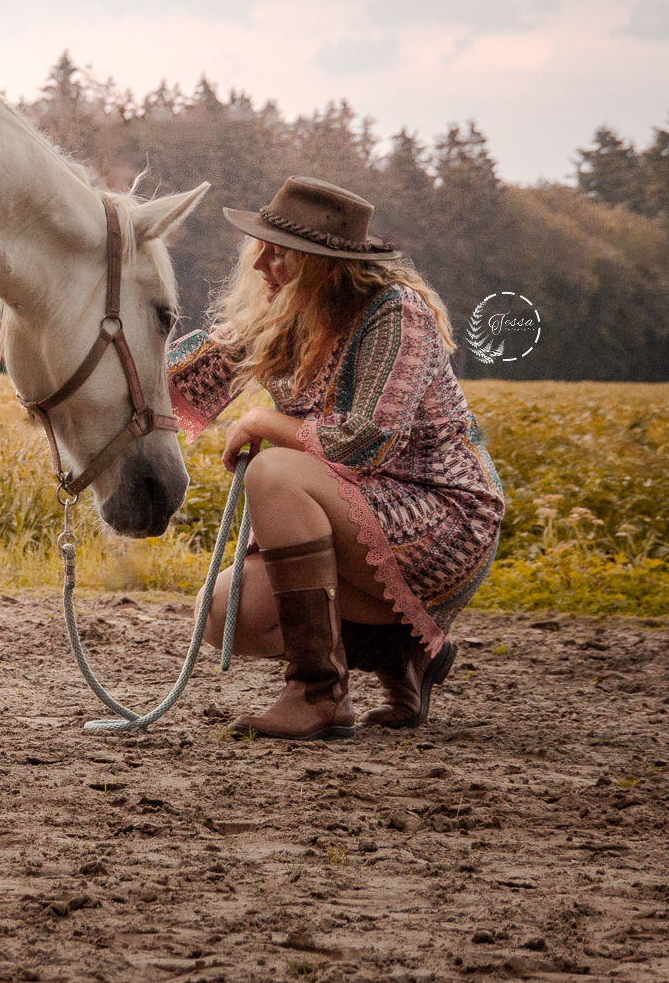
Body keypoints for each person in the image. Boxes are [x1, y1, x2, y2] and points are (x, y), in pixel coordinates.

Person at [166, 177, 504, 740]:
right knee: (222, 611)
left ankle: (318, 693)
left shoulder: (396, 313)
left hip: (442, 514)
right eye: (263, 250)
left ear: (324, 264)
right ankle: (400, 651)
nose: (261, 266)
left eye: (279, 254)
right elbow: (180, 380)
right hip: (357, 514)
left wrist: (263, 422)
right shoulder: (286, 315)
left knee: (273, 471)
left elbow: (368, 440)